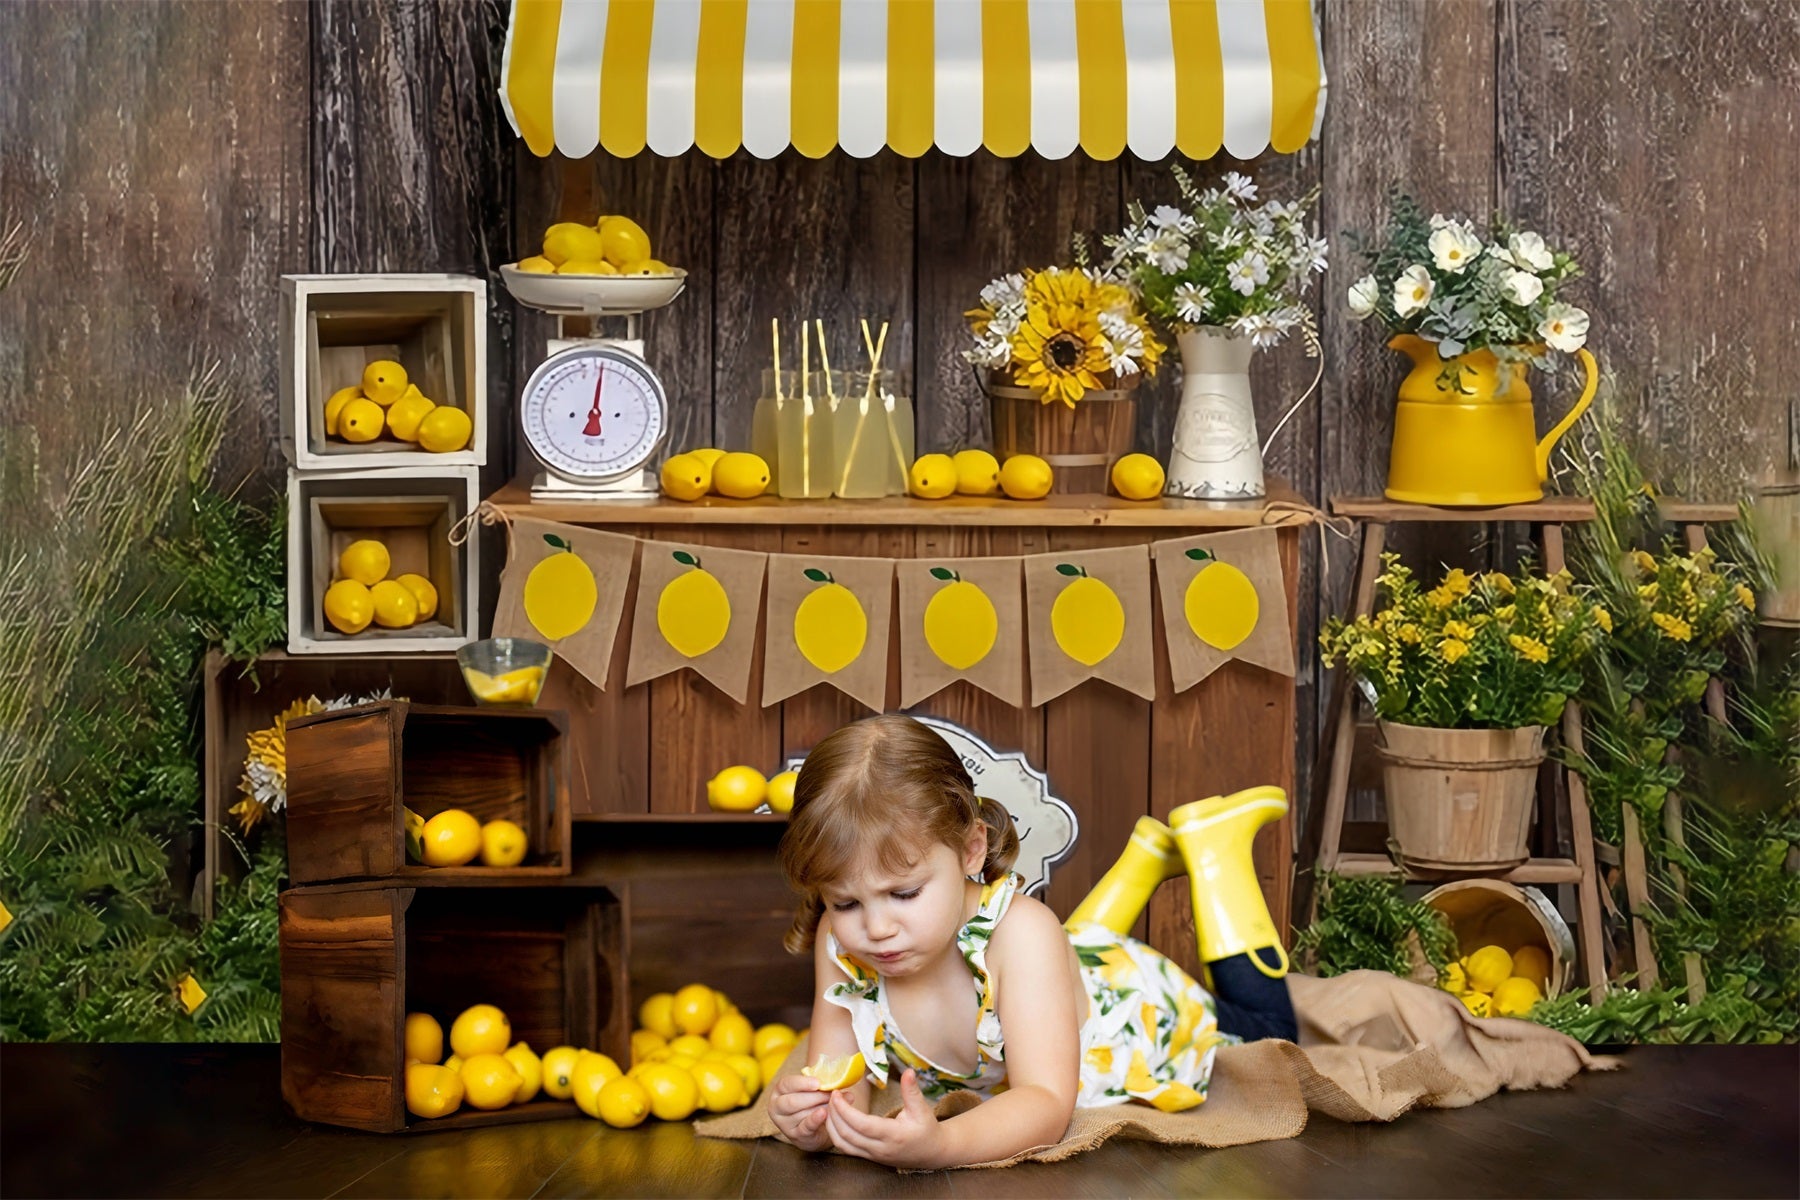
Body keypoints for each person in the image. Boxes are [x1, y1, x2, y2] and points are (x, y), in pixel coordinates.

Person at [766, 713, 1297, 1169]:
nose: (876, 928)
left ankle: (1216, 854)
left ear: (972, 851)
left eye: (904, 893)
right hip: (1054, 969)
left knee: (1273, 1032)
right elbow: (843, 1076)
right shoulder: (842, 945)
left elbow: (1045, 1100)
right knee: (1066, 944)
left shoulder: (1021, 934)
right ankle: (1143, 861)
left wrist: (944, 1144)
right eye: (846, 902)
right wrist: (818, 1120)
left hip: (1137, 1006)